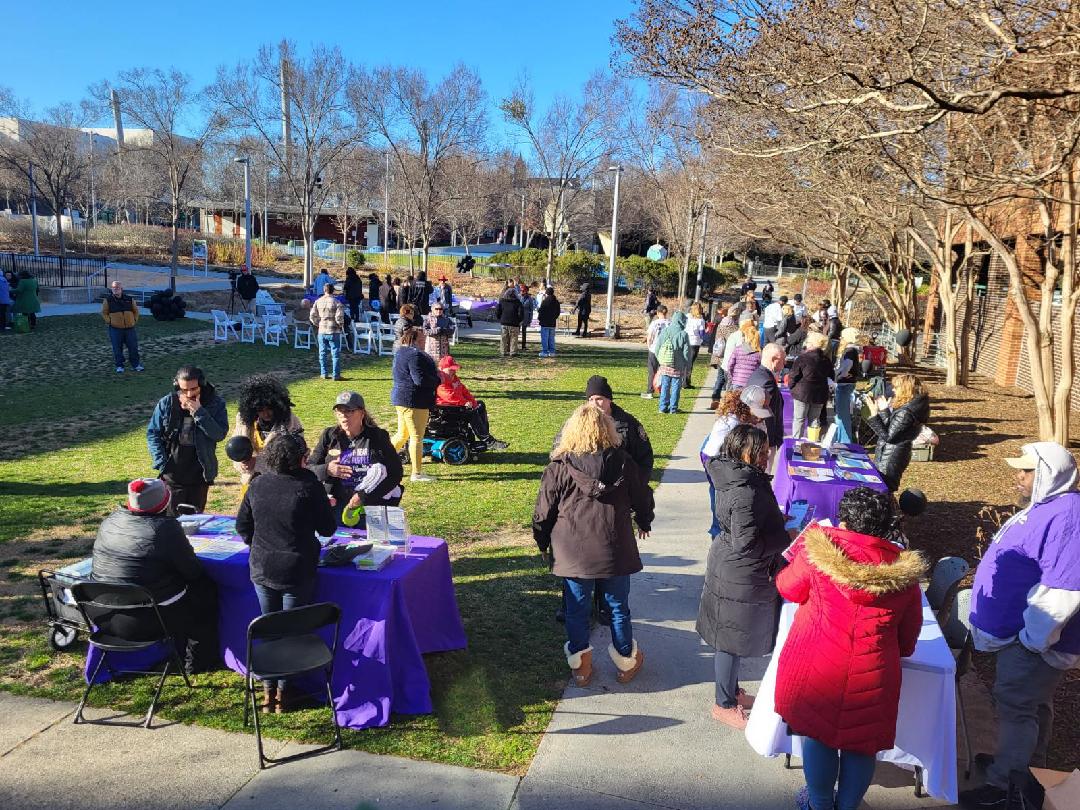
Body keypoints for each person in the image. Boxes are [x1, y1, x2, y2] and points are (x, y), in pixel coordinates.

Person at [777, 487, 925, 810]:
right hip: (873, 677)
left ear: (843, 522)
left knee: (818, 735)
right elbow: (908, 639)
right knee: (862, 745)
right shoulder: (904, 573)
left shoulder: (819, 553)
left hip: (819, 668)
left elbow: (787, 587)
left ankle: (818, 804)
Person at [959, 443, 1080, 810]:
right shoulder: (1050, 507)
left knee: (1017, 707)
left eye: (1027, 471)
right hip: (1025, 639)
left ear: (1049, 475)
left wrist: (1032, 640)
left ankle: (1004, 788)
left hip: (1034, 642)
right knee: (1031, 705)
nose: (1018, 476)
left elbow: (1063, 590)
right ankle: (1024, 769)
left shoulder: (1068, 517)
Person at [533, 404, 654, 687]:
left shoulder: (559, 467)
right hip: (614, 547)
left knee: (576, 608)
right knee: (618, 607)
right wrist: (644, 520)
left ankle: (581, 666)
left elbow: (543, 512)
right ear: (608, 429)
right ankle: (626, 660)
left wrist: (542, 541)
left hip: (573, 550)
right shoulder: (624, 463)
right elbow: (642, 497)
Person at [698, 424, 793, 729]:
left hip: (734, 566)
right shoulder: (744, 491)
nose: (767, 457)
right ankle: (723, 704)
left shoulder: (740, 477)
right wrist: (785, 537)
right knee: (730, 639)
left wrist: (775, 521)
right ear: (744, 452)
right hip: (739, 572)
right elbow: (747, 544)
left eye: (767, 452)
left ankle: (732, 691)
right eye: (761, 453)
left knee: (733, 636)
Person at [236, 432, 335, 713]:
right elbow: (327, 528)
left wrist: (260, 544)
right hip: (296, 569)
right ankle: (283, 692)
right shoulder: (308, 485)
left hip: (263, 566)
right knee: (291, 631)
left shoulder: (258, 484)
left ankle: (269, 692)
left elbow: (242, 526)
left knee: (270, 629)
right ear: (301, 458)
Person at [91, 477, 220, 675]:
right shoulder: (164, 529)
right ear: (165, 502)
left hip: (102, 614)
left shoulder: (110, 521)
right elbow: (193, 572)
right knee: (205, 592)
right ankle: (197, 661)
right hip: (148, 620)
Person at [307, 391, 404, 525]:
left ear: (362, 413)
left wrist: (363, 496)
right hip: (336, 504)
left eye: (349, 411)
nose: (344, 416)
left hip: (370, 505)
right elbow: (308, 468)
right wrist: (327, 469)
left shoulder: (377, 437)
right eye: (339, 412)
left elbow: (395, 473)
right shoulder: (329, 436)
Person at [147, 365, 229, 514]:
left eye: (194, 389)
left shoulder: (216, 404)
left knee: (195, 521)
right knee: (171, 521)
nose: (189, 394)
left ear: (202, 384)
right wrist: (162, 463)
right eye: (184, 390)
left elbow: (219, 434)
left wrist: (199, 412)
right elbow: (153, 434)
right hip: (172, 475)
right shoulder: (167, 403)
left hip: (200, 474)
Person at [701, 387, 771, 538]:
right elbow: (715, 457)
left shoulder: (753, 420)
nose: (760, 418)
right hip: (717, 460)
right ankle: (719, 535)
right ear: (746, 406)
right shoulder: (730, 425)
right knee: (721, 503)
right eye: (758, 412)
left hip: (732, 460)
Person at [231, 374, 304, 499]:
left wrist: (257, 462)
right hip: (251, 484)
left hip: (280, 485)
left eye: (269, 408)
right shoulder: (245, 422)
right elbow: (235, 447)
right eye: (260, 409)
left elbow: (295, 455)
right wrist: (241, 463)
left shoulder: (290, 422)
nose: (266, 414)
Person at [391, 327, 440, 482]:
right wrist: (438, 379)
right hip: (414, 401)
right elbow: (419, 380)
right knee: (416, 436)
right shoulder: (414, 355)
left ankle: (379, 460)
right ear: (413, 339)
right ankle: (416, 473)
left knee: (402, 434)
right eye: (422, 340)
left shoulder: (400, 352)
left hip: (401, 399)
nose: (424, 342)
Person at [865, 373, 929, 491]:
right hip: (892, 451)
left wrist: (874, 415)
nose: (893, 390)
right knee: (882, 485)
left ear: (906, 389)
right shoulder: (911, 406)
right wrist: (884, 411)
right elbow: (893, 429)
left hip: (892, 455)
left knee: (885, 486)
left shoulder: (906, 412)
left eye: (896, 387)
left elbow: (889, 437)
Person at [435, 356, 509, 450]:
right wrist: (465, 403)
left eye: (454, 370)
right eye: (451, 370)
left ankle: (485, 436)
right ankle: (488, 441)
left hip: (457, 406)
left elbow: (465, 392)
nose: (454, 372)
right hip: (446, 409)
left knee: (480, 405)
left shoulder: (454, 379)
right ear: (441, 369)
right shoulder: (440, 380)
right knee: (471, 412)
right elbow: (450, 397)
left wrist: (473, 403)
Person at [789, 332, 835, 439]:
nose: (806, 344)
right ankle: (812, 442)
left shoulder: (802, 358)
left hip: (802, 393)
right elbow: (831, 376)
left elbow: (793, 375)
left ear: (813, 344)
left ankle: (796, 442)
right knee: (814, 420)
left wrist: (791, 386)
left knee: (799, 419)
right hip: (819, 394)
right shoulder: (826, 360)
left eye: (808, 342)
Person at [746, 343, 786, 461]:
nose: (784, 363)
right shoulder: (767, 381)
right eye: (783, 360)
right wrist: (774, 440)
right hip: (765, 439)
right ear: (774, 360)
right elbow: (768, 415)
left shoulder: (758, 373)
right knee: (764, 468)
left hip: (756, 435)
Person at [102, 281, 144, 373]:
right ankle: (120, 365)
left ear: (121, 289)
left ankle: (136, 364)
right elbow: (104, 313)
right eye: (113, 288)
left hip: (130, 328)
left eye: (117, 288)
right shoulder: (108, 300)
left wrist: (134, 320)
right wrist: (110, 321)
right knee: (117, 348)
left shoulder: (129, 299)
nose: (115, 289)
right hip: (115, 329)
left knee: (133, 347)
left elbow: (136, 311)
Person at [655, 310, 691, 414]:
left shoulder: (665, 331)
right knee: (676, 387)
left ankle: (662, 407)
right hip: (678, 366)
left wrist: (661, 360)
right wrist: (687, 366)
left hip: (665, 364)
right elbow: (687, 353)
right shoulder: (683, 334)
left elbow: (657, 348)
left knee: (665, 386)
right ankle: (673, 408)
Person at [310, 282, 345, 381]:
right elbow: (339, 317)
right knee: (335, 353)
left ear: (324, 290)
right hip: (333, 330)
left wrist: (318, 323)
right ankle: (336, 375)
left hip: (322, 330)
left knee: (322, 353)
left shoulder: (318, 301)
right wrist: (340, 325)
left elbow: (312, 316)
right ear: (333, 290)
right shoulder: (337, 302)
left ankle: (324, 373)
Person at [833, 327, 862, 444]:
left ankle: (844, 441)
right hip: (847, 384)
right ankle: (842, 439)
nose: (841, 338)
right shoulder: (852, 350)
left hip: (844, 385)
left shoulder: (849, 351)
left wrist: (838, 374)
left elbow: (847, 365)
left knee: (842, 415)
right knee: (842, 413)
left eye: (843, 336)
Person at [708, 305, 739, 406]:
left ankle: (715, 399)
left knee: (720, 378)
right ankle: (727, 402)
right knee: (729, 380)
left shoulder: (721, 324)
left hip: (719, 355)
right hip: (728, 356)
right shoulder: (734, 328)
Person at [643, 304, 670, 398]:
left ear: (658, 313)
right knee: (664, 372)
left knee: (652, 371)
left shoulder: (655, 323)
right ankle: (664, 391)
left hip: (654, 349)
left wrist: (649, 346)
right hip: (665, 351)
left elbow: (650, 336)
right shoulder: (670, 323)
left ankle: (650, 391)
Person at [726, 319, 762, 389]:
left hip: (737, 381)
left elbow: (730, 365)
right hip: (751, 383)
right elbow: (760, 370)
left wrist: (733, 377)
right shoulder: (759, 353)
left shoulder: (738, 349)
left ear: (746, 337)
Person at [496, 283, 524, 357]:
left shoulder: (502, 301)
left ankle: (503, 351)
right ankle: (513, 352)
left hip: (504, 322)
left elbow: (498, 311)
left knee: (503, 338)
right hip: (514, 323)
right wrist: (519, 320)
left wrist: (500, 318)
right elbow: (521, 313)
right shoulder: (518, 303)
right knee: (514, 338)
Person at [684, 301, 707, 389]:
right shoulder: (700, 320)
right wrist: (706, 334)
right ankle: (686, 382)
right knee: (690, 363)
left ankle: (684, 380)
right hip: (695, 342)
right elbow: (701, 334)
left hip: (686, 341)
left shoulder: (687, 317)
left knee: (685, 361)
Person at [537, 285, 560, 358]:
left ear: (547, 293)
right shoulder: (556, 302)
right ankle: (552, 352)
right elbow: (558, 312)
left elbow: (541, 312)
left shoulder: (545, 302)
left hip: (545, 323)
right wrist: (554, 317)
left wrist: (540, 319)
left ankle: (545, 352)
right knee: (551, 338)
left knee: (544, 338)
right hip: (552, 322)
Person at [519, 283, 536, 348]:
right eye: (521, 290)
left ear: (526, 291)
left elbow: (531, 310)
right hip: (518, 317)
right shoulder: (519, 297)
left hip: (525, 317)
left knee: (524, 331)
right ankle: (514, 346)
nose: (521, 292)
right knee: (516, 332)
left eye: (523, 291)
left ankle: (523, 346)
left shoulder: (530, 299)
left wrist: (530, 319)